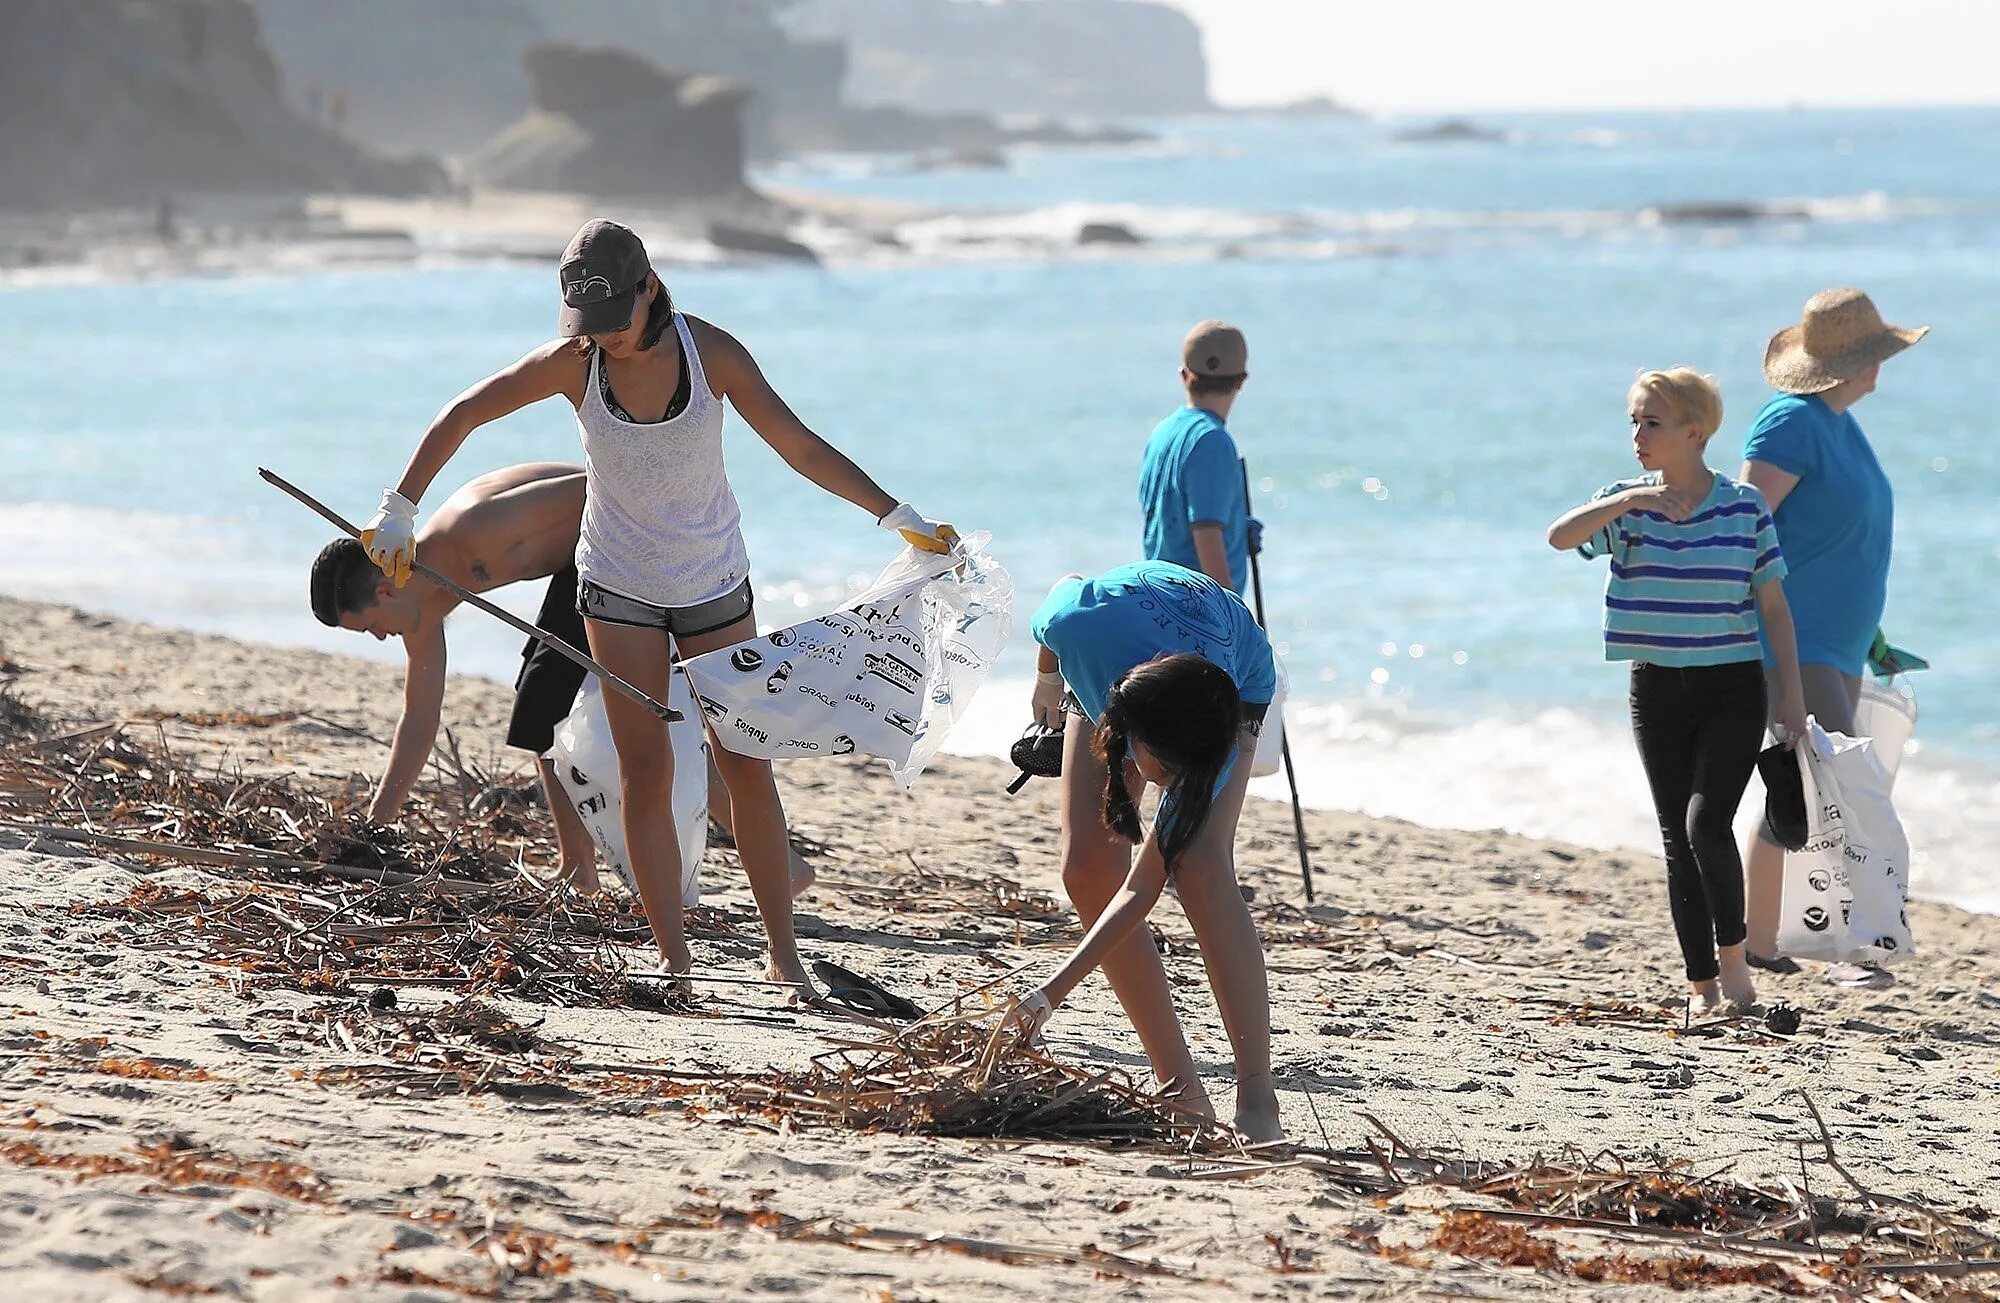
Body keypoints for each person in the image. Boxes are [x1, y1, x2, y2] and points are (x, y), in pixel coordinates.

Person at [354, 218, 956, 993]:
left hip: (712, 584)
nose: (606, 340)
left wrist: (896, 515)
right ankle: (673, 955)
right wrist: (399, 506)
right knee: (648, 770)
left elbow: (799, 446)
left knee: (745, 765)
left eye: (616, 322)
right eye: (589, 327)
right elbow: (464, 411)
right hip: (616, 587)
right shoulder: (576, 365)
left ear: (650, 288)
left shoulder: (713, 357)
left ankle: (784, 954)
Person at [308, 461, 813, 898]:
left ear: (383, 592)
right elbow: (419, 719)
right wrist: (376, 826)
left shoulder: (475, 527)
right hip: (587, 564)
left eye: (369, 627)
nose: (378, 638)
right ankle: (581, 870)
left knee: (587, 712)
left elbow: (605, 487)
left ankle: (771, 866)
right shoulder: (421, 609)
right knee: (540, 714)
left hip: (629, 547)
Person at [1546, 368, 1808, 1017]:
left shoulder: (1744, 507)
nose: (1638, 434)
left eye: (1652, 421)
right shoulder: (1627, 506)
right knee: (1676, 838)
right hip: (1656, 687)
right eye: (1634, 420)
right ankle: (1703, 988)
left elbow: (1774, 607)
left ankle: (1735, 967)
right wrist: (1629, 501)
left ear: (1694, 431)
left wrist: (1793, 695)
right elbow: (1560, 536)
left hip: (1733, 686)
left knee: (1705, 824)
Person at [1014, 561, 1283, 1141]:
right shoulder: (1075, 628)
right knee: (1085, 866)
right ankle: (1179, 1087)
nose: (1165, 788)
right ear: (1128, 737)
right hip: (1129, 664)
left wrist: (1047, 995)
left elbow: (1143, 887)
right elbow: (1058, 593)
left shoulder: (1206, 733)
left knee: (1201, 867)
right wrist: (1046, 679)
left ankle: (1258, 1100)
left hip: (1229, 679)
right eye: (1161, 776)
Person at [1735, 290, 1928, 986]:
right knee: (1837, 789)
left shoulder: (1838, 423)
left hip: (1839, 642)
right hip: (1797, 639)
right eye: (1876, 354)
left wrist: (1872, 634)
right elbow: (1744, 523)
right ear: (1850, 363)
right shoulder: (1791, 421)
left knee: (1804, 785)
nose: (1882, 367)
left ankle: (1760, 942)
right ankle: (1850, 949)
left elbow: (1839, 541)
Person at [1139, 320, 1257, 594]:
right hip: (1196, 611)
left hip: (1159, 598)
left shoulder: (1161, 433)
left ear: (1184, 375)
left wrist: (1238, 527)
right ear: (1241, 381)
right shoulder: (1213, 441)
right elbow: (1206, 532)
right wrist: (1230, 619)